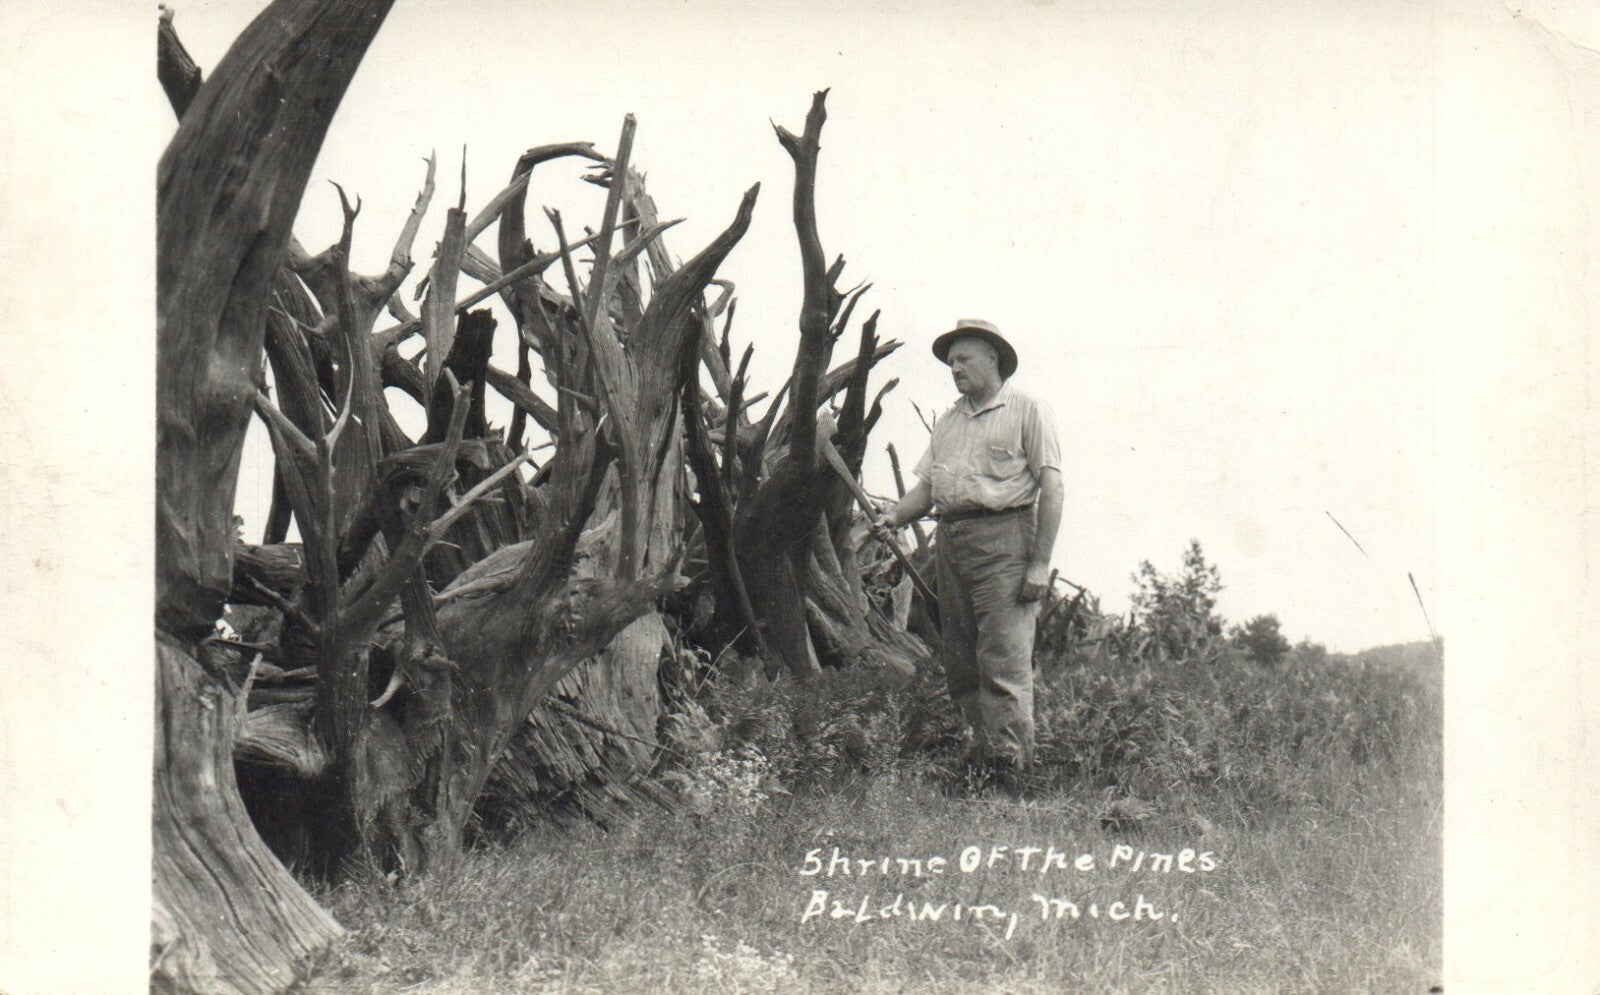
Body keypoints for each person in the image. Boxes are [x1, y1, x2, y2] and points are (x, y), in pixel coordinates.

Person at [876, 319, 1063, 792]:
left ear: (993, 359)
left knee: (1003, 661)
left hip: (1007, 542)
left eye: (963, 359)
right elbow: (926, 488)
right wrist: (895, 517)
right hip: (952, 544)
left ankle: (1010, 777)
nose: (954, 369)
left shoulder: (1028, 410)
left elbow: (1053, 487)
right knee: (960, 662)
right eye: (950, 362)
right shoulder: (950, 422)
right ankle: (982, 763)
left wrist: (1039, 563)